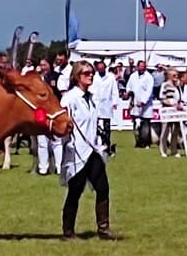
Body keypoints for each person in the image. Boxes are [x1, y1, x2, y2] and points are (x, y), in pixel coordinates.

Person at [60, 60, 117, 240]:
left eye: (91, 72)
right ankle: (68, 231)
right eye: (86, 73)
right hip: (76, 151)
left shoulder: (93, 97)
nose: (90, 75)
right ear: (77, 76)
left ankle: (104, 228)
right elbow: (64, 126)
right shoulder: (69, 99)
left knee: (103, 187)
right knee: (75, 192)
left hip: (93, 150)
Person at [37, 58, 63, 175]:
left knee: (56, 140)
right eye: (41, 65)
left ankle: (59, 166)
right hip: (40, 111)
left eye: (44, 65)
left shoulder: (58, 77)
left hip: (54, 111)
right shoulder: (36, 78)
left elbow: (62, 94)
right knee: (42, 141)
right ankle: (43, 167)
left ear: (50, 65)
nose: (42, 67)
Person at [90, 60, 119, 156]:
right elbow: (91, 89)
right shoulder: (94, 77)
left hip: (107, 104)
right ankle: (97, 145)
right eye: (99, 68)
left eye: (102, 68)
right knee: (96, 127)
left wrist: (115, 102)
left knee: (107, 128)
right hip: (96, 104)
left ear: (105, 68)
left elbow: (114, 90)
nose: (101, 70)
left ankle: (107, 146)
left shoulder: (110, 77)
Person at [126, 60, 154, 148]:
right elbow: (129, 87)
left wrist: (143, 101)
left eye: (143, 66)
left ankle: (145, 143)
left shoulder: (149, 77)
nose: (142, 68)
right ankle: (138, 142)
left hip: (145, 105)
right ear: (137, 67)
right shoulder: (133, 76)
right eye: (140, 66)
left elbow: (149, 91)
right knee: (136, 124)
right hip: (135, 103)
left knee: (145, 124)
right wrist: (128, 93)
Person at [159, 68, 183, 158]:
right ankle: (163, 150)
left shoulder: (177, 86)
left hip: (176, 111)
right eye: (174, 75)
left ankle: (174, 150)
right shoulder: (165, 85)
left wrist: (179, 104)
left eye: (177, 75)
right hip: (167, 110)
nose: (176, 77)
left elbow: (179, 97)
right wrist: (171, 105)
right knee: (165, 130)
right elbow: (162, 98)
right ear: (169, 76)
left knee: (175, 131)